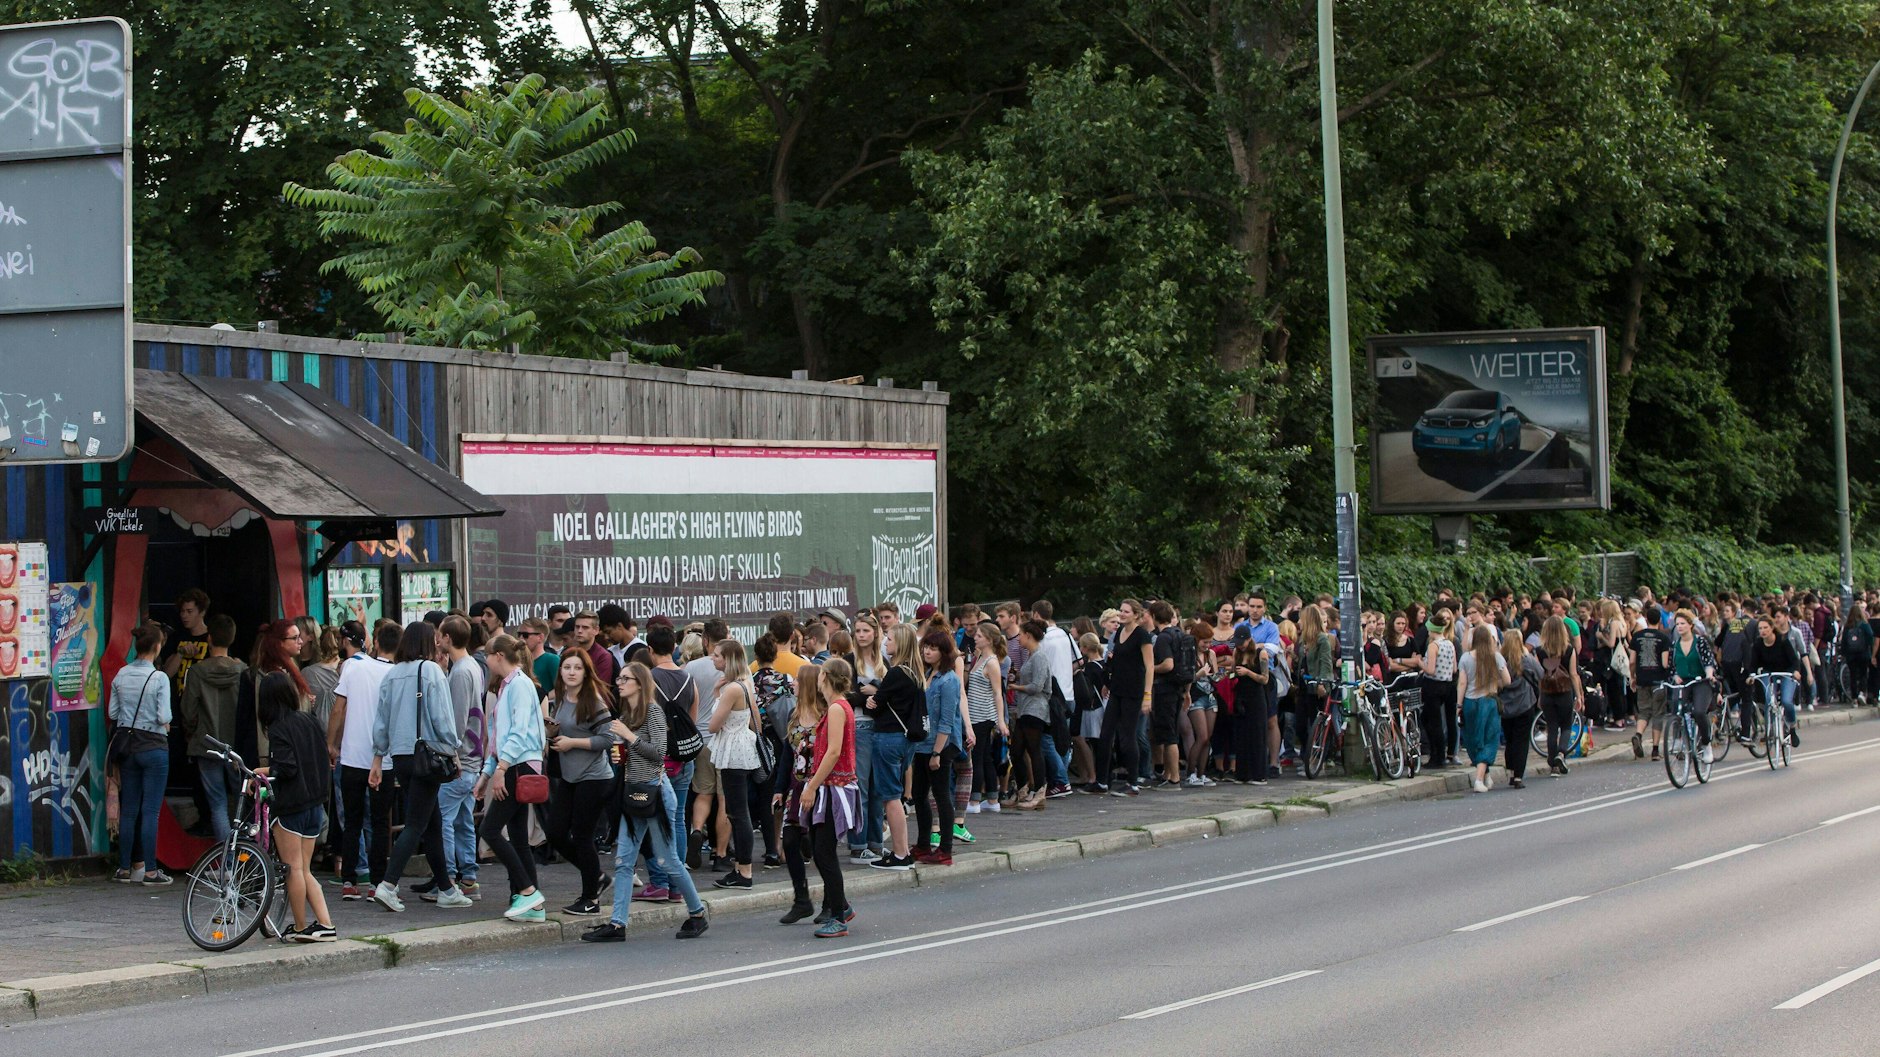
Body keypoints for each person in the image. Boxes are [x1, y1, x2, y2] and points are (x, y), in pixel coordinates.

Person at [579, 660, 709, 943]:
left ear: (640, 683)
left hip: (655, 793)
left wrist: (629, 738)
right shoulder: (627, 714)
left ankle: (697, 913)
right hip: (633, 792)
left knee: (668, 860)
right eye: (619, 678)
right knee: (624, 861)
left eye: (625, 679)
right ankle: (617, 925)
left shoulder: (653, 711)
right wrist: (621, 755)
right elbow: (635, 755)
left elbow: (659, 752)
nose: (619, 683)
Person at [367, 622, 470, 912]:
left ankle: (447, 889)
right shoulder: (431, 671)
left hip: (400, 756)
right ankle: (387, 885)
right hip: (427, 754)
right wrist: (454, 750)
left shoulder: (391, 674)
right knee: (416, 823)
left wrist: (377, 758)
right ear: (427, 643)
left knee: (431, 820)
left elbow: (381, 721)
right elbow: (442, 717)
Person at [777, 660, 861, 935]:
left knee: (824, 853)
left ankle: (838, 915)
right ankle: (842, 906)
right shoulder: (839, 707)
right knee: (820, 849)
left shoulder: (837, 708)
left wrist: (812, 785)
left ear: (824, 677)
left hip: (832, 787)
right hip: (831, 785)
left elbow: (833, 752)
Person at [255, 670, 337, 941]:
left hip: (291, 807)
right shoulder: (309, 720)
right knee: (305, 868)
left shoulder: (279, 729)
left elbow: (286, 768)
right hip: (315, 805)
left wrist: (262, 770)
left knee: (293, 869)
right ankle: (325, 924)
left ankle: (301, 927)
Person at [476, 634, 549, 922]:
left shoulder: (518, 685)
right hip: (516, 764)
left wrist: (501, 768)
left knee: (490, 831)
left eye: (487, 655)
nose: (484, 659)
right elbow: (498, 736)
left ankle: (529, 892)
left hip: (518, 765)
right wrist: (487, 772)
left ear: (498, 657)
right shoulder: (512, 685)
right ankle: (534, 905)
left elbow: (518, 732)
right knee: (518, 838)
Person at [541, 646, 618, 915]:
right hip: (569, 776)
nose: (571, 672)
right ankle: (596, 876)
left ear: (586, 672)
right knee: (556, 833)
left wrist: (572, 741)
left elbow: (607, 740)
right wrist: (552, 733)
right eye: (567, 668)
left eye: (577, 668)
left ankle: (591, 899)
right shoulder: (561, 699)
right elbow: (564, 730)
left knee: (583, 836)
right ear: (560, 672)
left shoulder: (594, 701)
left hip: (594, 778)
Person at [328, 622, 397, 901]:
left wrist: (330, 744)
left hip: (353, 756)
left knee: (353, 820)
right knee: (380, 822)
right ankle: (377, 883)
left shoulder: (352, 668)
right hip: (384, 759)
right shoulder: (394, 673)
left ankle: (349, 880)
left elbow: (338, 709)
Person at [638, 624, 700, 904]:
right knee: (677, 820)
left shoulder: (647, 680)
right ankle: (677, 885)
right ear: (674, 649)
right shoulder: (688, 678)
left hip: (657, 758)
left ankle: (659, 882)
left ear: (650, 650)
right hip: (684, 757)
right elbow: (692, 720)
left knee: (653, 819)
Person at [111, 623, 173, 885]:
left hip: (127, 747)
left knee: (129, 811)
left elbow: (113, 714)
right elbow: (164, 716)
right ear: (157, 647)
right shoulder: (159, 678)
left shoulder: (121, 674)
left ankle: (124, 869)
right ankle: (150, 871)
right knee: (150, 811)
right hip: (154, 746)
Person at [178, 614, 247, 843]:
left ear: (209, 638)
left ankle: (226, 862)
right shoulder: (242, 671)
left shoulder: (197, 672)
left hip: (206, 746)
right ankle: (246, 857)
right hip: (237, 748)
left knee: (217, 805)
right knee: (241, 802)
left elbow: (188, 711)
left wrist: (192, 733)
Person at [435, 616, 486, 901]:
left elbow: (456, 720)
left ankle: (449, 879)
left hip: (461, 760)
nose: (437, 639)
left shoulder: (461, 672)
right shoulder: (471, 667)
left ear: (447, 638)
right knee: (463, 819)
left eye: (440, 635)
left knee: (443, 818)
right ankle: (468, 877)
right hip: (472, 757)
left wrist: (451, 755)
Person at [705, 638, 761, 889]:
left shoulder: (734, 689)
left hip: (733, 749)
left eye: (717, 655)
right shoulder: (744, 684)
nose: (713, 658)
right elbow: (755, 720)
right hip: (740, 747)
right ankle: (741, 868)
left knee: (738, 813)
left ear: (727, 659)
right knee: (737, 812)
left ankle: (744, 871)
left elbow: (713, 725)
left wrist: (718, 694)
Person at [866, 623, 923, 870]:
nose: (886, 643)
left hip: (889, 737)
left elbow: (876, 704)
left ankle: (900, 853)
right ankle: (904, 850)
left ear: (900, 643)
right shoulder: (915, 672)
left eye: (889, 639)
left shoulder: (896, 672)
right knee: (895, 795)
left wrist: (872, 697)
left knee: (890, 797)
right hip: (906, 738)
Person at [912, 630, 963, 865]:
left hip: (941, 744)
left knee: (941, 795)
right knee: (919, 794)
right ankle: (923, 844)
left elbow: (947, 719)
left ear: (944, 652)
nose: (927, 651)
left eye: (932, 648)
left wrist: (937, 752)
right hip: (923, 743)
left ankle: (945, 849)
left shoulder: (949, 679)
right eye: (925, 647)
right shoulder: (928, 674)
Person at [682, 619, 730, 870]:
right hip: (725, 740)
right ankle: (720, 854)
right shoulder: (732, 667)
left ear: (705, 640)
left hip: (700, 739)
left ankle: (697, 830)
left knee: (703, 793)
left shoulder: (691, 667)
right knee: (725, 799)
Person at [1095, 599, 1152, 796]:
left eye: (1126, 611)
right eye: (1121, 610)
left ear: (1136, 615)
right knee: (1105, 734)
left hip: (1133, 692)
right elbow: (1115, 660)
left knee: (1128, 737)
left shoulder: (1142, 636)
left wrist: (1147, 695)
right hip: (1116, 689)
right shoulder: (1119, 632)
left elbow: (1149, 667)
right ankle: (1101, 780)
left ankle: (1133, 782)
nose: (1122, 614)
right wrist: (1106, 682)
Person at [844, 614, 887, 860]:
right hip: (859, 728)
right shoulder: (850, 662)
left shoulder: (884, 661)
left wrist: (875, 692)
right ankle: (858, 844)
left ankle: (876, 842)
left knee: (877, 789)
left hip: (880, 728)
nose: (861, 635)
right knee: (860, 787)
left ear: (874, 633)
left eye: (865, 631)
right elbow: (847, 695)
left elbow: (892, 694)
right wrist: (868, 697)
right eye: (857, 631)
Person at [1005, 620, 1054, 810]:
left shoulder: (1039, 656)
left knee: (1034, 749)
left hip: (1035, 709)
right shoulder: (1031, 656)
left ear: (1028, 636)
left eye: (1021, 635)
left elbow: (1037, 686)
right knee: (1016, 750)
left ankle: (1039, 790)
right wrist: (1017, 677)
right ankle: (1022, 788)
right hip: (1025, 709)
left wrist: (1015, 686)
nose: (1019, 640)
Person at [1457, 625, 1509, 793]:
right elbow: (1507, 680)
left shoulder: (1465, 658)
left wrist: (1459, 704)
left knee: (1473, 738)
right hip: (1489, 700)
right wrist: (1496, 683)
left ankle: (1483, 774)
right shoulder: (1496, 657)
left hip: (1470, 702)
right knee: (1489, 738)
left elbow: (1462, 683)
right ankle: (1480, 779)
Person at [965, 622, 1007, 813]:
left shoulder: (991, 662)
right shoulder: (980, 658)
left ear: (989, 639)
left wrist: (1000, 720)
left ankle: (974, 801)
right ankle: (992, 799)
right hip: (976, 713)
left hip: (982, 715)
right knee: (986, 757)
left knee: (978, 756)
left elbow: (998, 693)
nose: (975, 637)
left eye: (980, 636)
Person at [1533, 616, 1584, 777]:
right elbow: (1574, 674)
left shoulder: (1540, 651)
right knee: (1566, 726)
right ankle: (1561, 754)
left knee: (1552, 727)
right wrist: (1579, 695)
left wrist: (1540, 695)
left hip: (1548, 693)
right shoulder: (1568, 649)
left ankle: (1552, 764)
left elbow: (1539, 675)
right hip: (1564, 692)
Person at [1746, 616, 1802, 748]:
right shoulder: (1758, 644)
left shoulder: (1783, 641)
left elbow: (1794, 660)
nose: (1763, 631)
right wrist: (1751, 675)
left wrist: (1796, 671)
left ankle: (1792, 728)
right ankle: (1769, 729)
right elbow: (1753, 664)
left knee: (1787, 701)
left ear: (1772, 628)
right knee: (1768, 699)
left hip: (1786, 673)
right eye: (1760, 628)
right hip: (1769, 673)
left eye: (1766, 627)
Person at [1630, 606, 1674, 761]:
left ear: (1646, 619)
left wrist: (1632, 677)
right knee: (1658, 714)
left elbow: (1632, 661)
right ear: (1660, 620)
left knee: (1643, 711)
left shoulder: (1637, 637)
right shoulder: (1663, 638)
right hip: (1658, 681)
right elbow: (1664, 662)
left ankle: (1638, 734)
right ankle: (1655, 750)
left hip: (1642, 678)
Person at [1498, 629, 1540, 789]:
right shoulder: (1526, 660)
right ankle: (1518, 776)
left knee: (1510, 740)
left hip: (1506, 705)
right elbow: (1540, 674)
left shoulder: (1500, 660)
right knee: (1521, 741)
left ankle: (1510, 770)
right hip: (1525, 703)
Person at [1227, 634, 1270, 785]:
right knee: (1242, 736)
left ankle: (1259, 773)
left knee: (1257, 735)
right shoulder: (1237, 654)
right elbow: (1232, 673)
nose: (1241, 646)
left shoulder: (1260, 654)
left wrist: (1248, 673)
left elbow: (1265, 678)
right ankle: (1243, 773)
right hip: (1241, 696)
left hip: (1256, 697)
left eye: (1242, 643)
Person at [1421, 608, 1460, 768]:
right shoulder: (1450, 643)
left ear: (1431, 629)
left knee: (1432, 721)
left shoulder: (1433, 646)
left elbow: (1430, 670)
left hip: (1433, 686)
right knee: (1437, 719)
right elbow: (1454, 668)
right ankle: (1443, 753)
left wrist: (1419, 664)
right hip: (1447, 686)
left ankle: (1437, 756)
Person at [1842, 604, 1873, 706]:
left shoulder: (1847, 626)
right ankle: (1861, 693)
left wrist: (1844, 653)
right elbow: (1870, 637)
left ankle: (1854, 698)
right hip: (1863, 654)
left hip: (1851, 655)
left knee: (1853, 676)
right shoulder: (1864, 624)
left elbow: (1844, 642)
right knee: (1863, 674)